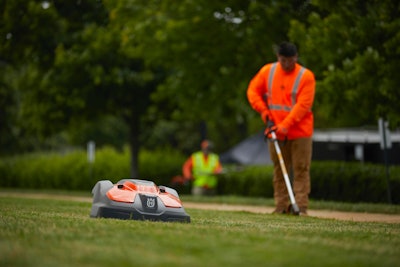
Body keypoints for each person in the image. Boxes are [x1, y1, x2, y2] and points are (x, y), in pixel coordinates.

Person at [246, 42, 316, 215]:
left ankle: (300, 206)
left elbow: (303, 105)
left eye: (289, 60)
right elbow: (252, 91)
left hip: (300, 132)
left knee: (301, 168)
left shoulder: (305, 76)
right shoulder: (268, 72)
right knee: (279, 169)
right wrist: (264, 111)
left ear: (296, 58)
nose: (286, 64)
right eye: (283, 60)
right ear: (278, 58)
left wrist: (285, 126)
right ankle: (281, 206)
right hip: (275, 131)